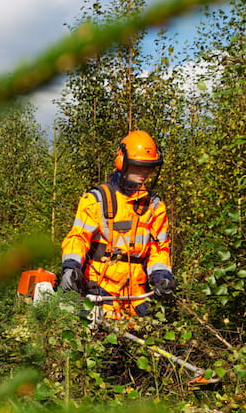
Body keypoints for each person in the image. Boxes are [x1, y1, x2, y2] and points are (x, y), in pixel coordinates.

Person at [58, 130, 175, 321]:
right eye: (138, 167)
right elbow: (77, 238)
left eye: (148, 168)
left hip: (137, 295)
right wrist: (70, 267)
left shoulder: (154, 206)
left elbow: (159, 249)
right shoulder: (97, 200)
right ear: (122, 163)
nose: (143, 173)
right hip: (99, 289)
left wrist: (162, 276)